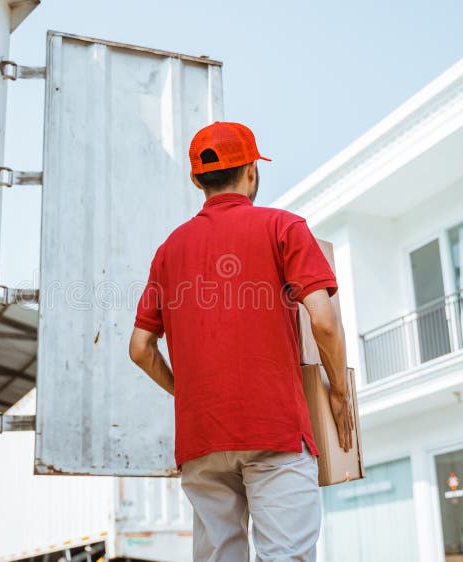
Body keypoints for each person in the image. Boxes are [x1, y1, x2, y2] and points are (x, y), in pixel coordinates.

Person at [128, 121, 354, 562]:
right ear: (251, 171)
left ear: (198, 180)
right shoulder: (283, 227)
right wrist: (339, 393)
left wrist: (189, 392)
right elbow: (324, 322)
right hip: (275, 429)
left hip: (202, 439)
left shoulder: (169, 251)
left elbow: (140, 348)